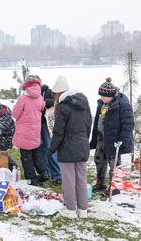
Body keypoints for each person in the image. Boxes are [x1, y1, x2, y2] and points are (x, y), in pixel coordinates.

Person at [48, 75, 92, 219]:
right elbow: (88, 125)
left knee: (68, 179)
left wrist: (51, 149)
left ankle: (71, 209)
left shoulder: (64, 107)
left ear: (58, 93)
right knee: (81, 179)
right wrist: (84, 140)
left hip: (67, 149)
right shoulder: (84, 103)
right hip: (82, 146)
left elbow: (58, 132)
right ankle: (83, 210)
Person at [90, 78, 134, 193]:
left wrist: (122, 140)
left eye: (104, 96)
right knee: (98, 160)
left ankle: (114, 187)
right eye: (100, 96)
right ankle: (100, 183)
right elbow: (97, 122)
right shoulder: (101, 104)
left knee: (113, 165)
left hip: (114, 141)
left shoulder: (123, 105)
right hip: (101, 139)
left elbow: (128, 124)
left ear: (112, 95)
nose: (102, 98)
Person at [12, 75, 46, 186]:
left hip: (24, 133)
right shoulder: (40, 98)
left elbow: (15, 114)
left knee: (26, 157)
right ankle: (43, 172)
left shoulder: (23, 99)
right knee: (36, 154)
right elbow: (42, 109)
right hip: (35, 131)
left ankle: (31, 179)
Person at [39, 84, 62, 184]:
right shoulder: (34, 94)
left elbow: (56, 102)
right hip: (38, 124)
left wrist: (44, 103)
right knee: (41, 149)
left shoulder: (48, 91)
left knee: (50, 148)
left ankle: (58, 174)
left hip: (47, 125)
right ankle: (47, 172)